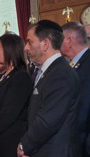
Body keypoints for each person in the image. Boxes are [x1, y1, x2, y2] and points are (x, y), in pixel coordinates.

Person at [17, 20, 80, 157]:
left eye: (30, 42)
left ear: (45, 44)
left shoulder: (61, 74)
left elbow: (48, 121)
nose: (26, 48)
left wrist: (25, 145)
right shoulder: (47, 71)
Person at [0, 33, 33, 157]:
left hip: (10, 145)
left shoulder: (21, 77)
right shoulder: (3, 75)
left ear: (9, 50)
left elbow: (7, 114)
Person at [61, 21, 90, 157]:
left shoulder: (87, 64)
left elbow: (83, 108)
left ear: (69, 41)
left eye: (60, 39)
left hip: (82, 143)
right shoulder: (74, 64)